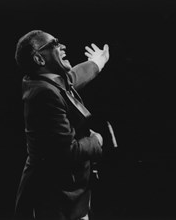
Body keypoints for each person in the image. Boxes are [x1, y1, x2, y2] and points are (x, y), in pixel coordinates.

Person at [13, 30, 110, 220]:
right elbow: (67, 152)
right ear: (39, 59)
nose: (62, 46)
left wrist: (97, 63)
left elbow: (72, 78)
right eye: (54, 44)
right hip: (53, 203)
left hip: (67, 199)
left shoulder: (45, 82)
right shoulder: (44, 94)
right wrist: (96, 141)